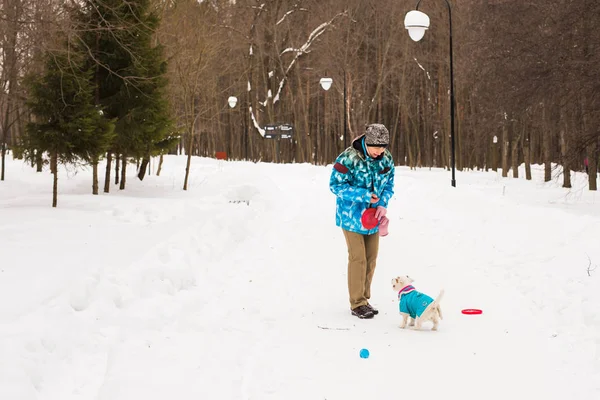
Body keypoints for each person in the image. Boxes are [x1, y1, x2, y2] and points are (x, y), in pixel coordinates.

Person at [329, 123, 395, 319]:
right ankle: (356, 302)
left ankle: (364, 299)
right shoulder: (348, 158)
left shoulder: (386, 159)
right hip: (351, 217)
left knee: (371, 258)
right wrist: (364, 195)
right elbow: (335, 186)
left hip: (373, 217)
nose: (380, 151)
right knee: (358, 257)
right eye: (377, 147)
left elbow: (389, 183)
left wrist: (382, 203)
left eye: (383, 147)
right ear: (367, 142)